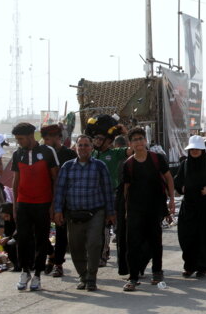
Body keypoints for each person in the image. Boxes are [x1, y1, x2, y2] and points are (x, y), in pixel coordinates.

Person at [53, 135, 115, 291]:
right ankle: (83, 276)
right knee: (76, 246)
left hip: (96, 211)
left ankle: (92, 278)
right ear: (75, 147)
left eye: (86, 145)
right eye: (80, 145)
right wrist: (58, 211)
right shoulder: (67, 167)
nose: (83, 148)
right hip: (73, 213)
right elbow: (60, 190)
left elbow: (108, 190)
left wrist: (110, 212)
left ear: (91, 148)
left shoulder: (100, 166)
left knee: (94, 244)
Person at [122, 127, 176, 291]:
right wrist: (125, 210)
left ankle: (157, 272)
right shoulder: (128, 164)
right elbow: (126, 189)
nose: (138, 142)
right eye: (135, 140)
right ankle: (133, 277)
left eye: (140, 139)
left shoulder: (157, 159)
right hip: (135, 209)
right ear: (130, 144)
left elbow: (168, 178)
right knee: (132, 243)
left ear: (145, 141)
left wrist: (172, 200)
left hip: (155, 207)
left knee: (155, 241)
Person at [10, 122, 59, 291]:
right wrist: (15, 205)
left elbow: (55, 179)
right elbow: (16, 180)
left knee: (41, 239)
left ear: (31, 136)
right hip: (24, 203)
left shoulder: (47, 152)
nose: (19, 142)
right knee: (22, 239)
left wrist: (54, 204)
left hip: (43, 203)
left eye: (21, 139)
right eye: (17, 139)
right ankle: (25, 271)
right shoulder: (17, 154)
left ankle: (38, 274)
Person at [174, 135, 206, 277]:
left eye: (197, 149)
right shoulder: (185, 165)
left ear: (202, 150)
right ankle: (189, 266)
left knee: (205, 237)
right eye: (192, 150)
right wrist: (181, 188)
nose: (195, 152)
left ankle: (203, 266)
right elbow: (177, 181)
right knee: (187, 237)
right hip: (189, 207)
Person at [40, 124, 78, 278]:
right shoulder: (41, 153)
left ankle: (58, 264)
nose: (46, 142)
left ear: (58, 137)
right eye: (44, 139)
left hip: (63, 198)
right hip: (43, 196)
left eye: (48, 138)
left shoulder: (69, 154)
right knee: (40, 232)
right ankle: (51, 254)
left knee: (61, 232)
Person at [92, 124, 130, 272]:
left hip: (113, 195)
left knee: (113, 227)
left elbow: (132, 149)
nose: (97, 141)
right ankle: (102, 253)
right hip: (95, 196)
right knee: (99, 228)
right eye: (96, 138)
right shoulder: (92, 154)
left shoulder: (115, 153)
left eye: (100, 139)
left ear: (108, 142)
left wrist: (126, 134)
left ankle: (116, 257)